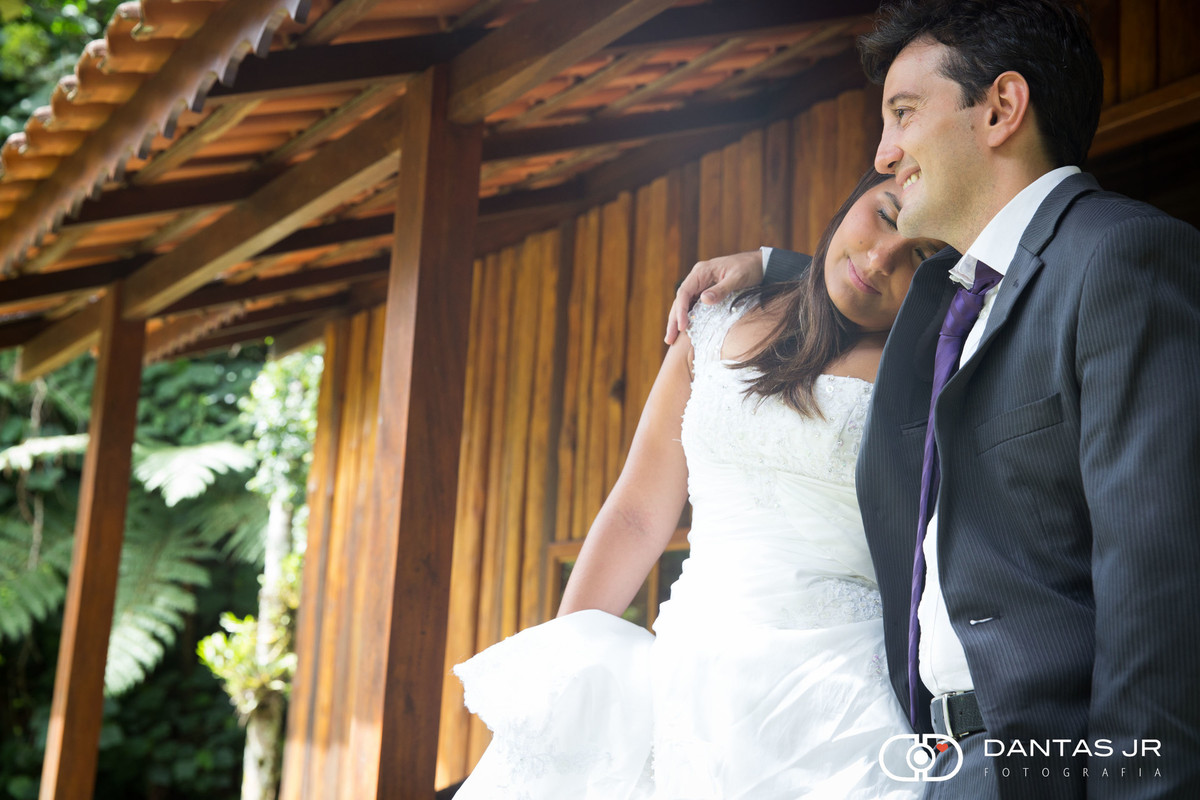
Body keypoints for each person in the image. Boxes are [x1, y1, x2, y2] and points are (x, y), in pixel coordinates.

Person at [666, 1, 1200, 797]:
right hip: (928, 760)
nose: (884, 154)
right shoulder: (954, 297)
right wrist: (778, 263)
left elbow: (1159, 585)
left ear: (1000, 108)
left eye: (903, 113)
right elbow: (862, 275)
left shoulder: (1122, 257)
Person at [452, 169, 943, 799]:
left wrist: (770, 262)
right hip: (684, 670)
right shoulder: (716, 320)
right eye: (884, 215)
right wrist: (568, 666)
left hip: (837, 695)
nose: (880, 261)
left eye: (920, 256)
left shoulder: (936, 366)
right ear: (853, 197)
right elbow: (635, 512)